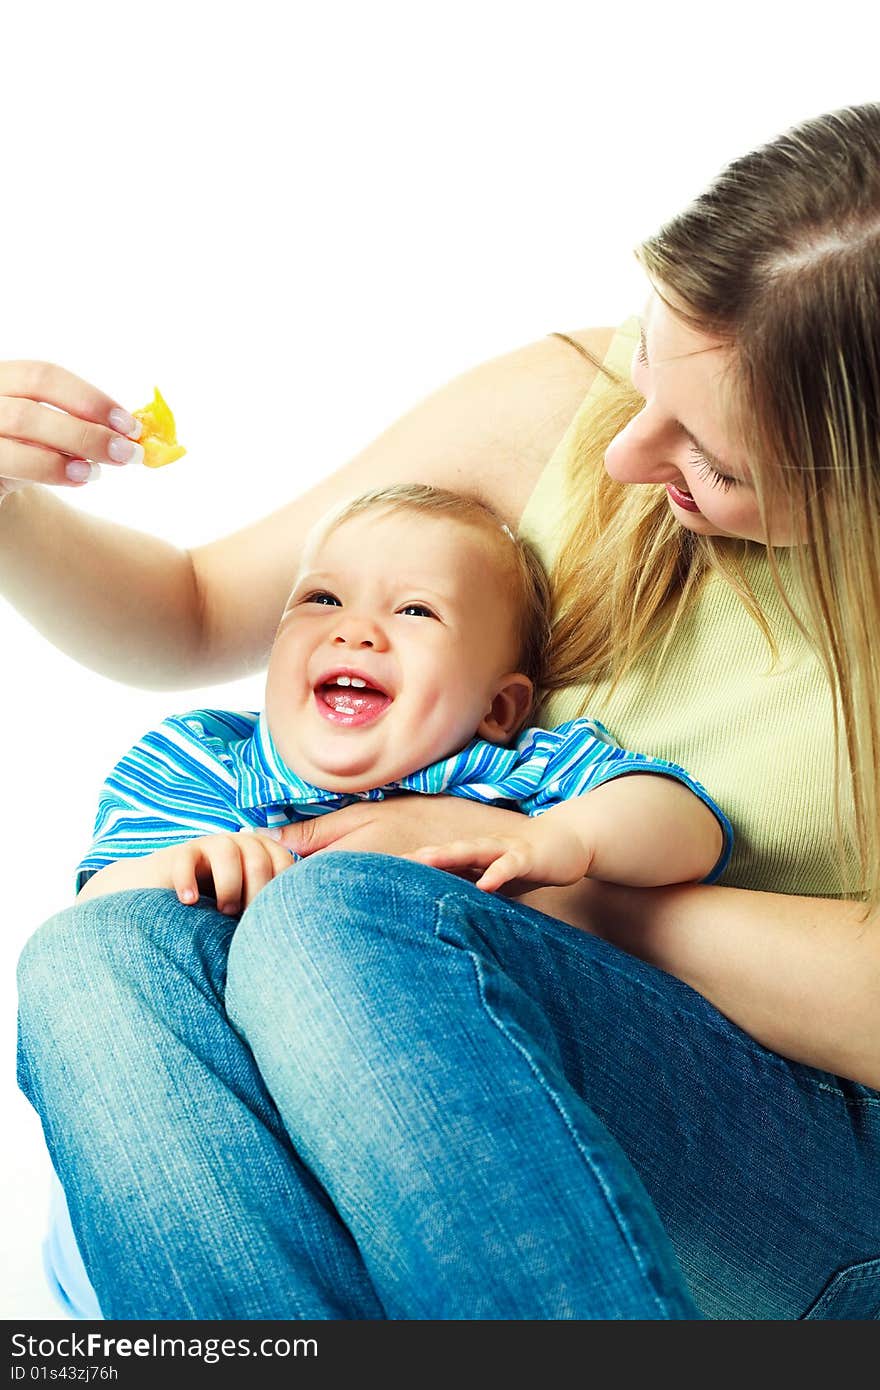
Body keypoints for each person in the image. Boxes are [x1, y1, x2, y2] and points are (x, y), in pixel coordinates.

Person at [10, 102, 880, 1320]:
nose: (622, 455)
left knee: (346, 920)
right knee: (90, 952)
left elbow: (635, 833)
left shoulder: (547, 789)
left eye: (715, 462)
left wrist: (514, 881)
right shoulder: (570, 409)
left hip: (814, 1176)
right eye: (644, 356)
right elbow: (199, 604)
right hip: (447, 1085)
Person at [73, 483, 730, 917]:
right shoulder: (200, 761)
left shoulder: (516, 775)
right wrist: (174, 869)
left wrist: (568, 838)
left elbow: (689, 829)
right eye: (322, 598)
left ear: (498, 709)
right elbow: (89, 931)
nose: (354, 629)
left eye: (416, 610)